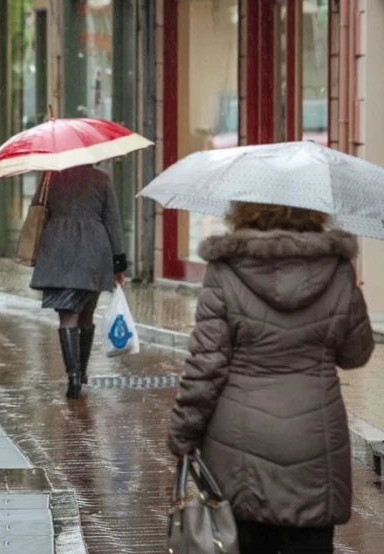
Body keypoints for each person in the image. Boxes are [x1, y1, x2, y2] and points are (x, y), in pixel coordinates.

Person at [167, 202, 374, 554]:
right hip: (314, 439)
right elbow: (356, 354)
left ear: (245, 210)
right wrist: (352, 295)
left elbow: (206, 365)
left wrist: (183, 435)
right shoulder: (337, 270)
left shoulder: (226, 270)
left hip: (239, 443)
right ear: (313, 212)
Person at [29, 165, 127, 399]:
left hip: (58, 249)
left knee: (67, 315)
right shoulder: (102, 179)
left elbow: (36, 210)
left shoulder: (50, 177)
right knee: (86, 313)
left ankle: (73, 376)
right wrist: (118, 264)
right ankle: (81, 372)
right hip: (93, 251)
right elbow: (112, 221)